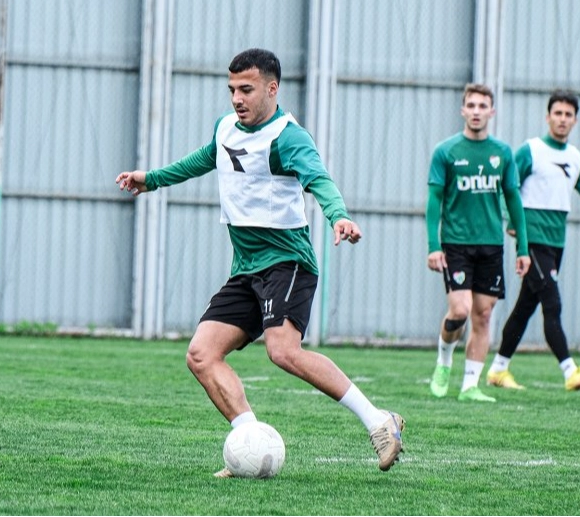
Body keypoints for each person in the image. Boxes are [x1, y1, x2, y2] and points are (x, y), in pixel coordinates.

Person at [115, 48, 404, 475]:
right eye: (232, 89)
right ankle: (249, 440)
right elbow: (203, 159)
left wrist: (338, 216)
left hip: (287, 262)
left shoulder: (288, 137)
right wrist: (152, 179)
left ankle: (379, 421)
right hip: (246, 268)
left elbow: (318, 179)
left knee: (283, 351)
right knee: (201, 354)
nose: (237, 98)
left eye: (246, 90)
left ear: (272, 89)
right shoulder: (226, 128)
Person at [485, 89, 580, 391]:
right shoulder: (531, 150)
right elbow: (505, 188)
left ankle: (498, 369)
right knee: (552, 304)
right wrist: (512, 222)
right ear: (547, 116)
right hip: (532, 239)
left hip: (556, 243)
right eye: (558, 113)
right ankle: (569, 371)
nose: (562, 119)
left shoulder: (575, 158)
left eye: (568, 115)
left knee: (525, 307)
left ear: (575, 120)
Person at [426, 83, 531, 403]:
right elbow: (434, 201)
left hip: (491, 245)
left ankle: (470, 386)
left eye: (482, 106)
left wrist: (523, 248)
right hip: (456, 244)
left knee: (483, 316)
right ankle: (444, 361)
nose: (476, 111)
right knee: (460, 310)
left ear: (491, 112)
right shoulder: (446, 151)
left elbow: (514, 200)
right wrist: (433, 245)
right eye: (471, 105)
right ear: (463, 110)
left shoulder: (503, 153)